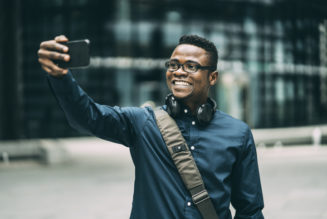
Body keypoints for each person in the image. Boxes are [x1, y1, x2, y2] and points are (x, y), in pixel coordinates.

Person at [37, 34, 264, 219]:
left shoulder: (237, 133)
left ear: (212, 77)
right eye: (173, 64)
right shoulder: (143, 123)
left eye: (191, 66)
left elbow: (250, 210)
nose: (179, 71)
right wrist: (61, 77)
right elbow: (88, 117)